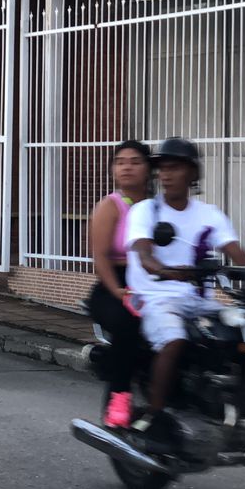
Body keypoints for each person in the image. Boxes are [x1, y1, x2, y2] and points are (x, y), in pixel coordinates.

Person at [125, 137, 245, 445]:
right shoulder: (146, 211)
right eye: (162, 169)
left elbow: (239, 256)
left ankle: (239, 409)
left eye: (175, 168)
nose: (166, 175)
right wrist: (164, 271)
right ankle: (155, 419)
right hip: (156, 298)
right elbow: (145, 255)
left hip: (199, 303)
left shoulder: (210, 215)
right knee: (173, 340)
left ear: (193, 174)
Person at [87, 141, 151, 429]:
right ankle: (120, 396)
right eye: (121, 161)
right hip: (115, 283)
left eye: (135, 161)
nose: (127, 166)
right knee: (128, 323)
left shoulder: (157, 207)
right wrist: (118, 291)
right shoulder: (110, 206)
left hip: (152, 282)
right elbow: (99, 257)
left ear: (149, 169)